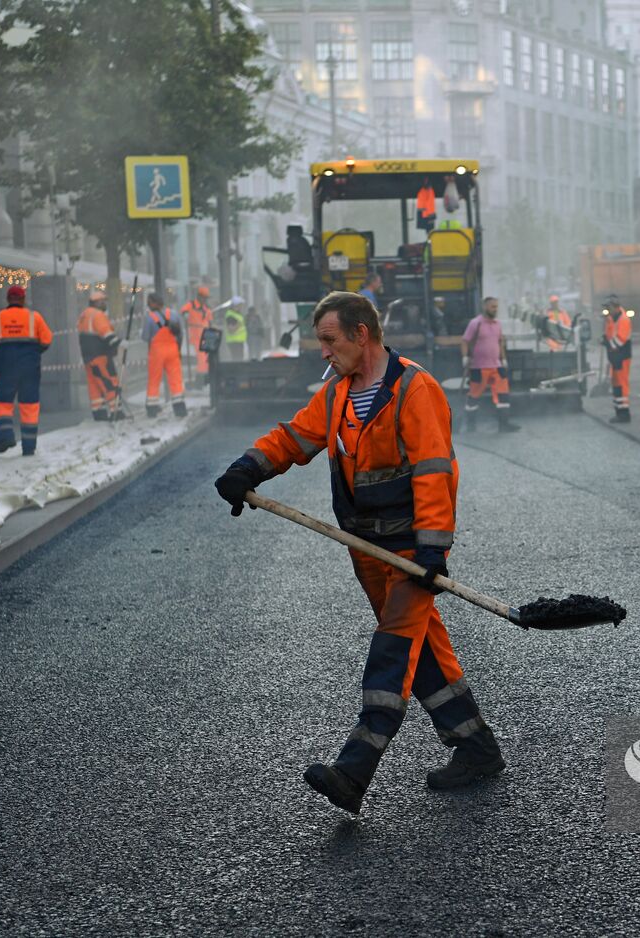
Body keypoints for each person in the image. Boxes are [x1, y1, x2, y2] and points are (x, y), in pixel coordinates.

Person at [213, 290, 503, 815]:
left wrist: (433, 551)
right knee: (423, 648)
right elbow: (294, 439)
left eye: (329, 340)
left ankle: (354, 770)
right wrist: (247, 469)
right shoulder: (338, 395)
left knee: (392, 652)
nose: (323, 351)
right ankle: (476, 746)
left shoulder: (415, 390)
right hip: (367, 548)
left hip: (411, 550)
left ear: (361, 334)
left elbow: (436, 471)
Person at [0, 284, 52, 455]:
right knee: (29, 405)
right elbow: (46, 340)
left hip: (6, 367)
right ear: (23, 299)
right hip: (30, 368)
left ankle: (6, 435)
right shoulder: (34, 317)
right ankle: (29, 447)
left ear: (8, 299)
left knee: (2, 401)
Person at [460, 296, 519, 432]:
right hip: (479, 367)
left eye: (497, 307)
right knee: (474, 396)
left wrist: (503, 359)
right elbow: (465, 341)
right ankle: (471, 426)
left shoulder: (498, 324)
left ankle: (504, 425)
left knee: (503, 394)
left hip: (496, 366)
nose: (495, 309)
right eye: (493, 306)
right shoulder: (476, 323)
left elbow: (500, 342)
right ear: (485, 307)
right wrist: (465, 357)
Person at [77, 290, 124, 421]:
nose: (105, 303)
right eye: (103, 301)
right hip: (100, 356)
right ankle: (116, 412)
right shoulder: (98, 315)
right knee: (108, 382)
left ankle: (99, 412)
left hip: (88, 356)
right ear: (96, 302)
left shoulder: (83, 315)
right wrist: (120, 343)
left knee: (94, 385)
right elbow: (107, 335)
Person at [142, 292, 187, 418]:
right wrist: (178, 349)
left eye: (149, 302)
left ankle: (152, 409)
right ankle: (180, 408)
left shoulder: (150, 317)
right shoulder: (174, 314)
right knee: (175, 379)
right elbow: (181, 334)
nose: (148, 305)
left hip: (157, 352)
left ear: (154, 303)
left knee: (154, 380)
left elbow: (145, 337)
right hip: (172, 350)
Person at [604, 299, 633, 423]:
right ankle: (619, 412)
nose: (608, 311)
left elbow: (621, 340)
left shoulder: (624, 320)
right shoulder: (612, 319)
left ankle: (624, 414)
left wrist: (608, 344)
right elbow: (610, 334)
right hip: (615, 356)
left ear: (616, 307)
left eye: (609, 308)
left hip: (622, 356)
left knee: (621, 385)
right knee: (616, 384)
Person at [182, 286, 213, 384]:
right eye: (204, 298)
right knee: (201, 359)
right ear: (199, 297)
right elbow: (183, 311)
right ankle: (200, 379)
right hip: (196, 336)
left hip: (206, 336)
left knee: (207, 359)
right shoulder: (191, 305)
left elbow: (210, 321)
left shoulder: (207, 309)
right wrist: (185, 314)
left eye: (206, 298)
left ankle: (204, 378)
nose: (205, 300)